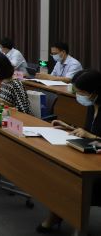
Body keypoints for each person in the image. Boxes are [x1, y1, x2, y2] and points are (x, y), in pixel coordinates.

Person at [36, 69, 101, 233]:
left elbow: (91, 135)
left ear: (94, 92)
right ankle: (58, 214)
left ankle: (72, 224)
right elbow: (87, 132)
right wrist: (69, 127)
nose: (78, 96)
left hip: (97, 168)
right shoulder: (92, 106)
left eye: (81, 92)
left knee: (71, 180)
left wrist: (91, 136)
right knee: (59, 171)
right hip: (89, 156)